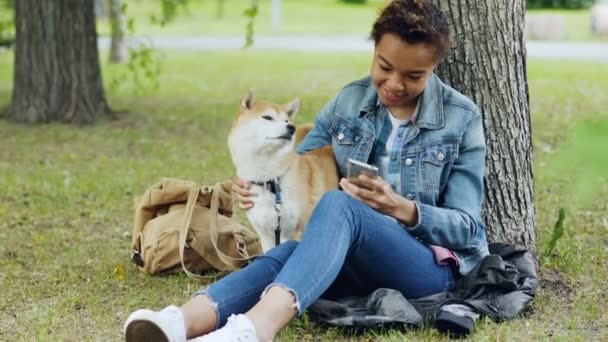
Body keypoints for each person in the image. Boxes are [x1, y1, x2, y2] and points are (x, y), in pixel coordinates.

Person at [123, 0, 489, 341]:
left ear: (434, 68)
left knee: (339, 205)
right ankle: (178, 322)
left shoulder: (460, 119)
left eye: (413, 76)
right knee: (287, 254)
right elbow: (296, 158)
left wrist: (402, 209)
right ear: (374, 52)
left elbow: (468, 228)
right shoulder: (350, 101)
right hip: (352, 259)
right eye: (385, 67)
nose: (394, 85)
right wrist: (258, 184)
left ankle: (255, 329)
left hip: (428, 270)